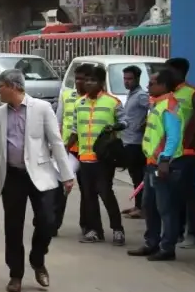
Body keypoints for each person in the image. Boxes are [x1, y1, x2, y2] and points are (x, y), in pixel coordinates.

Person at [0, 69, 75, 292]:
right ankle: (15, 274)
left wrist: (67, 175)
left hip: (41, 174)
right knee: (13, 227)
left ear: (13, 87)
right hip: (13, 176)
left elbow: (56, 142)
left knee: (47, 221)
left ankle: (37, 258)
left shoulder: (42, 108)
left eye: (0, 86)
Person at [66, 65, 128, 245]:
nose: (88, 83)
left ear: (101, 83)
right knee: (88, 196)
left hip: (104, 158)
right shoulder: (79, 103)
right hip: (84, 157)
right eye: (86, 80)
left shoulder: (113, 102)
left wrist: (115, 127)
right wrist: (65, 148)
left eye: (93, 80)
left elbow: (125, 122)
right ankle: (94, 231)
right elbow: (75, 130)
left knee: (106, 194)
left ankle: (117, 230)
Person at [127, 68, 184, 261]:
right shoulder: (157, 103)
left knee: (165, 209)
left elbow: (173, 136)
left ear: (163, 85)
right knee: (149, 206)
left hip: (164, 165)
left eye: (151, 83)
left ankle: (167, 248)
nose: (147, 86)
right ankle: (151, 243)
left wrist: (165, 159)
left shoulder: (169, 105)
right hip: (152, 164)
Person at [166, 57, 195, 248]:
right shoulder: (167, 93)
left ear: (179, 72)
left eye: (169, 71)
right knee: (173, 194)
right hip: (168, 151)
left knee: (188, 193)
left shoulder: (192, 93)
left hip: (186, 151)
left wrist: (192, 137)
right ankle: (177, 231)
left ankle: (193, 233)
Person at [54, 63, 92, 235]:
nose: (79, 82)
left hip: (87, 151)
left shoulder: (95, 100)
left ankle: (87, 225)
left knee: (87, 191)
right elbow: (58, 121)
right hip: (68, 150)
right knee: (61, 187)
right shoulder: (66, 96)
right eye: (77, 78)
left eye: (83, 79)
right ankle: (54, 223)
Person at [121, 65, 150, 219]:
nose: (126, 81)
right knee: (135, 176)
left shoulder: (141, 96)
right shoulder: (131, 94)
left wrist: (146, 122)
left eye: (130, 79)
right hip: (128, 140)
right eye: (125, 78)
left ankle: (142, 208)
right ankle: (138, 205)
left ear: (138, 79)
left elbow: (155, 109)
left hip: (136, 142)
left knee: (139, 176)